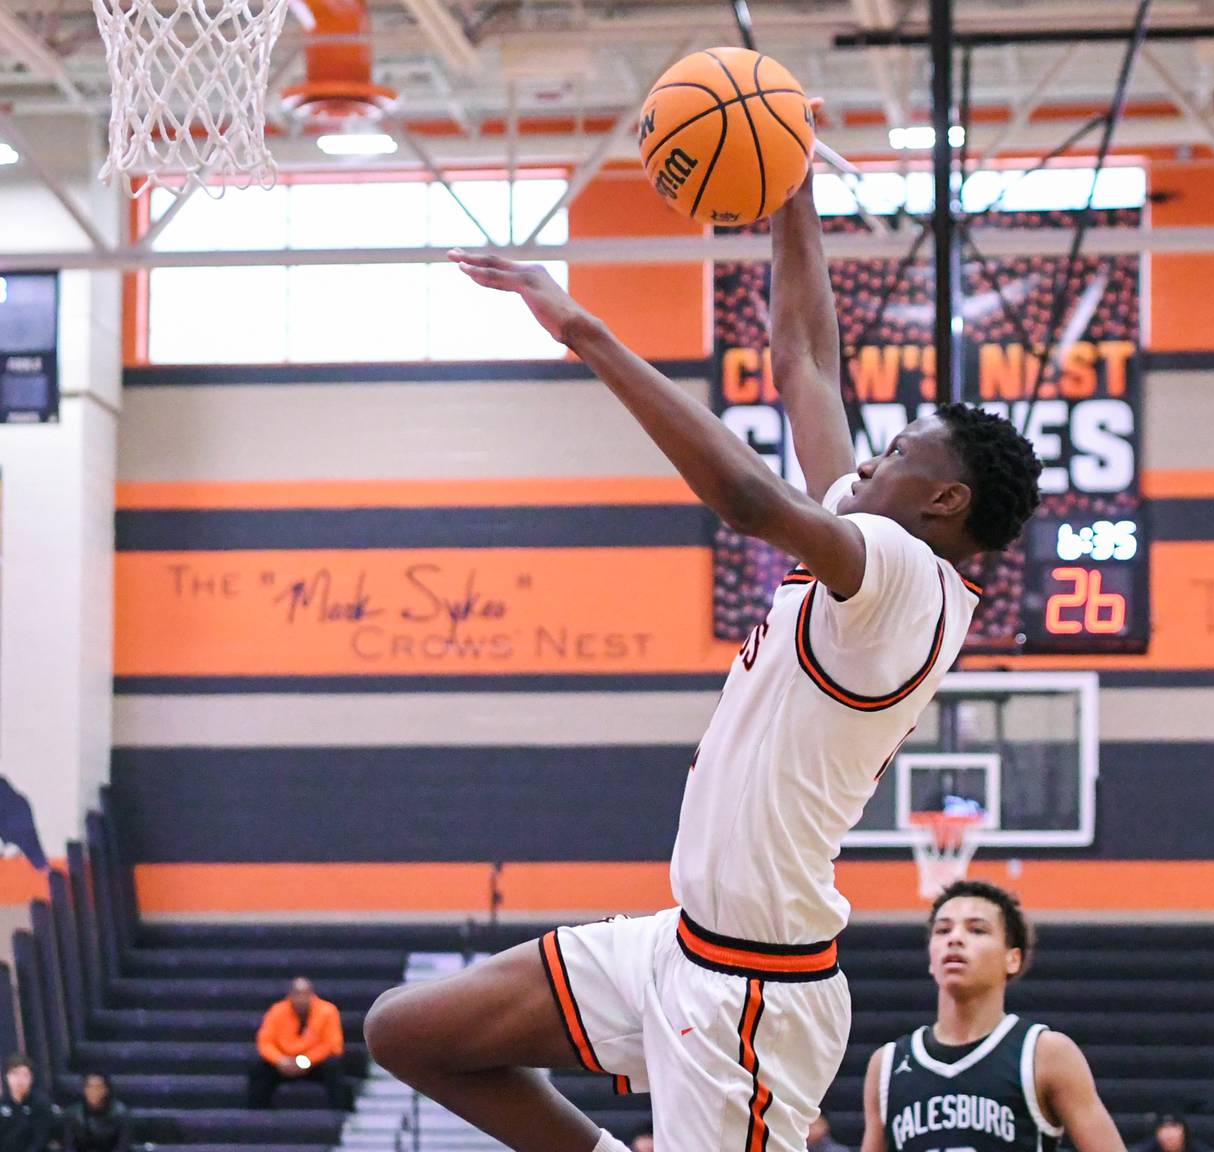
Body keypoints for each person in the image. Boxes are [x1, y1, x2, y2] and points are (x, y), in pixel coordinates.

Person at [364, 166, 1043, 1152]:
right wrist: (793, 186)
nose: (873, 459)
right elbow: (807, 361)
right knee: (412, 1033)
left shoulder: (903, 576)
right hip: (679, 945)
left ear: (945, 505)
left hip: (755, 989)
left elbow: (750, 502)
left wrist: (581, 328)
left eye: (899, 453)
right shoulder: (872, 548)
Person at [861, 880, 1124, 1152]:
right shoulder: (887, 1064)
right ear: (930, 958)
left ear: (1013, 959)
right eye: (943, 930)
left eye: (977, 930)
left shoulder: (1045, 1054)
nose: (955, 938)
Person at [249, 977, 351, 1111]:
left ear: (312, 994)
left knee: (333, 1067)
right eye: (297, 994)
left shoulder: (327, 1011)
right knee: (259, 1068)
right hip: (284, 1063)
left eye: (305, 994)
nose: (301, 999)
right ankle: (258, 1113)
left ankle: (339, 1112)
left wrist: (306, 1061)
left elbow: (333, 1045)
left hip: (314, 1063)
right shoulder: (277, 1011)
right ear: (290, 995)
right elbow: (265, 1042)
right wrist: (280, 1060)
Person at [62, 1073, 130, 1152]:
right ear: (85, 1090)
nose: (94, 1091)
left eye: (98, 1087)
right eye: (90, 1087)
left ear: (106, 1090)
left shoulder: (121, 1113)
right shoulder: (73, 1113)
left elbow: (123, 1147)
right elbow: (69, 1147)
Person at [0, 1055, 55, 1152]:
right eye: (15, 1074)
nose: (19, 1079)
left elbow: (40, 1139)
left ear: (31, 1078)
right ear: (7, 1077)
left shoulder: (41, 1104)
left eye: (25, 1075)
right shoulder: (2, 1104)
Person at [1129, 1113, 1211, 1152]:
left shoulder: (1196, 1147)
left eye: (1173, 1127)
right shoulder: (1149, 1147)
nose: (1169, 1134)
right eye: (1164, 1128)